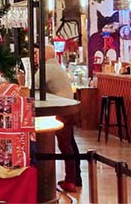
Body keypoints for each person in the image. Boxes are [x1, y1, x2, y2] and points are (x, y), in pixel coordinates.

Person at [38, 45, 82, 193]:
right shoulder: (55, 66)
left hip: (62, 109)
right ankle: (76, 177)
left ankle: (70, 181)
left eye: (38, 54)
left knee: (65, 145)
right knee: (70, 143)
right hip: (68, 107)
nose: (36, 56)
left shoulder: (47, 68)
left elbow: (34, 84)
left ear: (45, 55)